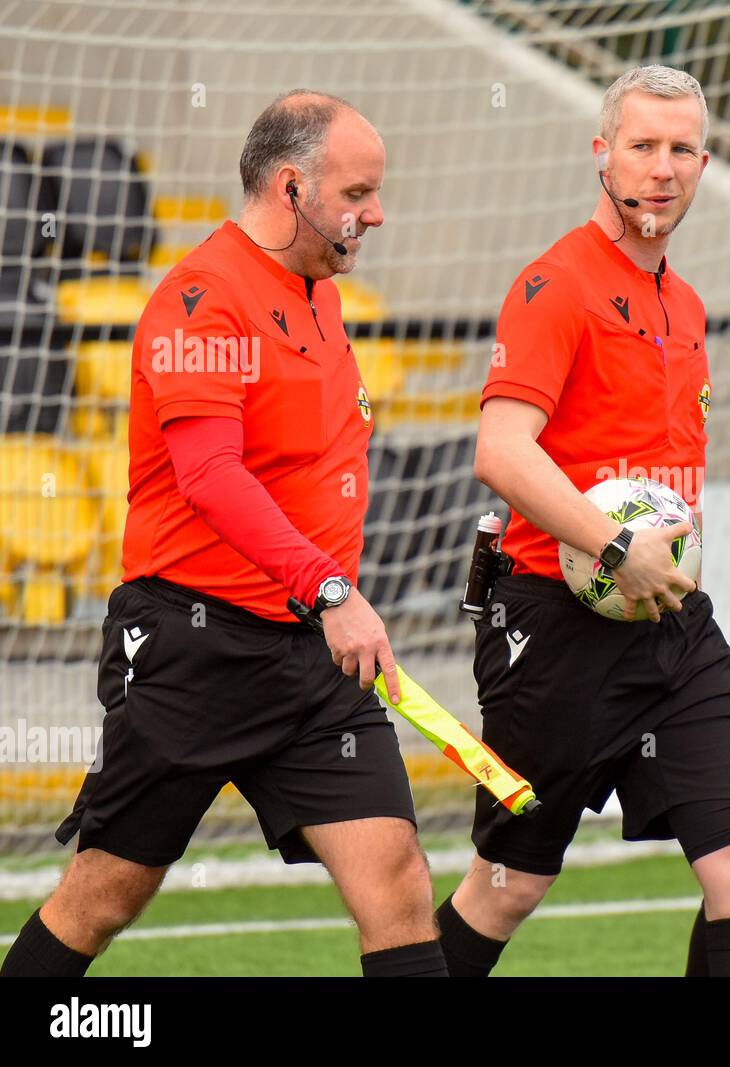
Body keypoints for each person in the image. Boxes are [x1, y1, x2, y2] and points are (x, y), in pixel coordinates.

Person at [0, 91, 447, 978]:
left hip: (314, 661)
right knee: (105, 894)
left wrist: (335, 607)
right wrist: (332, 590)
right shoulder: (202, 299)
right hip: (193, 649)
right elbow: (210, 477)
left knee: (395, 879)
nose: (376, 213)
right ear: (292, 188)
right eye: (357, 192)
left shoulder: (318, 291)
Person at [432, 66, 730, 978]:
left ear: (704, 163)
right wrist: (612, 544)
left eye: (682, 150)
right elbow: (502, 451)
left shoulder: (689, 304)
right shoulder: (555, 284)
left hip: (669, 626)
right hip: (551, 630)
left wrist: (647, 559)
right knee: (507, 887)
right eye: (642, 146)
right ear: (604, 154)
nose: (662, 169)